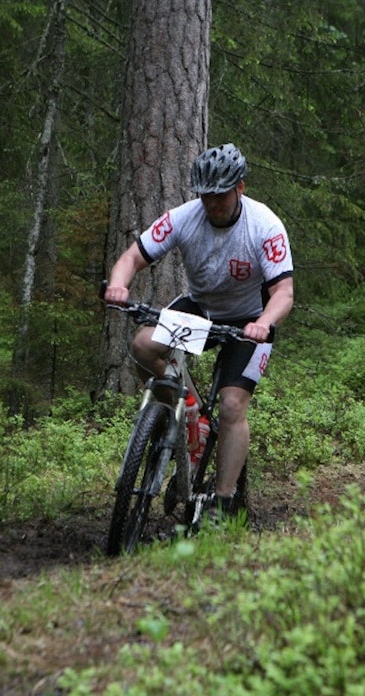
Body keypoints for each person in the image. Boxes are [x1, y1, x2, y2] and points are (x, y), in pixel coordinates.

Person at [104, 143, 294, 515]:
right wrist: (119, 285)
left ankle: (222, 503)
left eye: (219, 196)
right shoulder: (183, 217)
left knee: (232, 404)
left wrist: (264, 323)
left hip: (250, 320)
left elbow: (283, 292)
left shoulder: (265, 225)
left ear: (240, 188)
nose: (211, 204)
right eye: (205, 196)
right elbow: (132, 256)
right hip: (202, 310)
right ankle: (189, 409)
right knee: (143, 345)